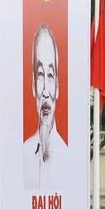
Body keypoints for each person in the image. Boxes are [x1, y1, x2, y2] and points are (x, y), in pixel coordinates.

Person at [23, 24, 66, 190]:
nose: (46, 92)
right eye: (41, 74)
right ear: (33, 85)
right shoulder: (22, 155)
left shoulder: (68, 157)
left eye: (50, 75)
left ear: (57, 87)